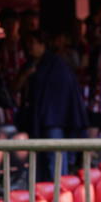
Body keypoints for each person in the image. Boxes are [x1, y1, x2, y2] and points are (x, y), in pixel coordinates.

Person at [21, 30, 87, 178]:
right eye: (27, 44)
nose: (29, 47)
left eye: (32, 43)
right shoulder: (30, 64)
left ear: (42, 44)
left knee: (54, 162)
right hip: (36, 121)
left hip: (54, 122)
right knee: (38, 163)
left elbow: (64, 94)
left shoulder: (56, 64)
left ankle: (57, 197)